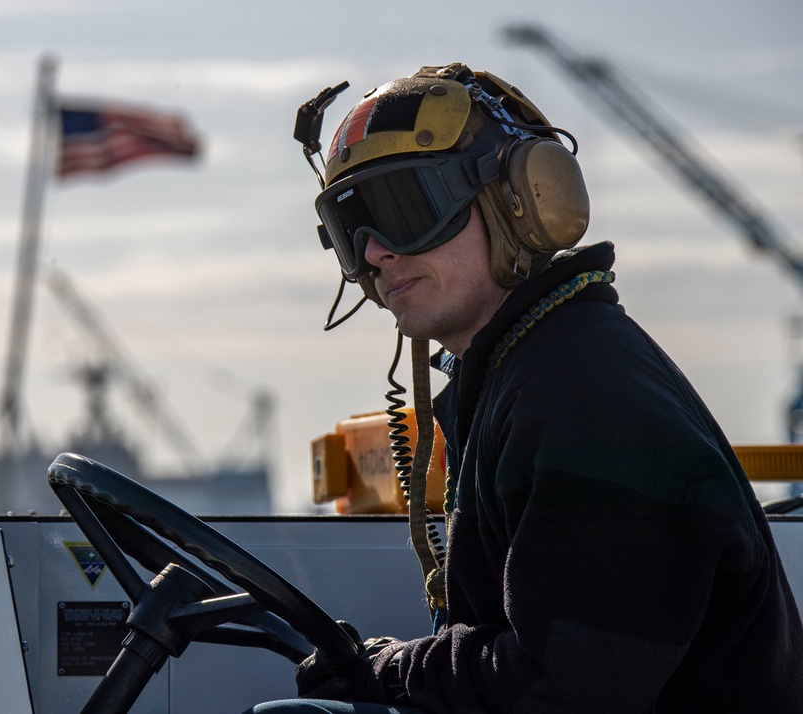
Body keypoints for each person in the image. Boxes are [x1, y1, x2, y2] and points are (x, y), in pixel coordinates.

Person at [249, 62, 803, 713]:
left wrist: (397, 673)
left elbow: (566, 683)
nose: (374, 254)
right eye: (353, 228)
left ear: (524, 199)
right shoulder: (535, 371)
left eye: (402, 209)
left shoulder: (583, 396)